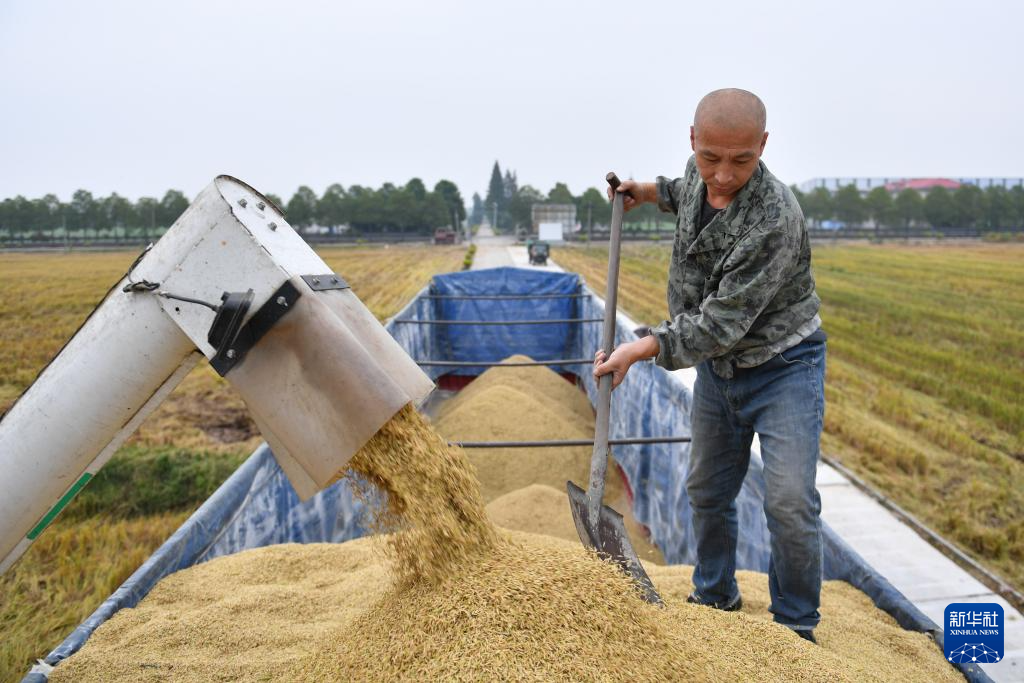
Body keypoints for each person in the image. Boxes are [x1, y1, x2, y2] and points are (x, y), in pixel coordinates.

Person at [593, 88, 826, 643]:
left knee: (789, 500)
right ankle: (715, 597)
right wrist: (643, 193)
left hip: (781, 365)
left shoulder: (774, 218)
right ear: (693, 141)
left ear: (763, 146)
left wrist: (642, 346)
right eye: (711, 158)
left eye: (742, 160)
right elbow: (682, 190)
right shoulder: (700, 173)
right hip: (721, 373)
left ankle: (796, 625)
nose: (723, 175)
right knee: (706, 489)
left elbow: (720, 324)